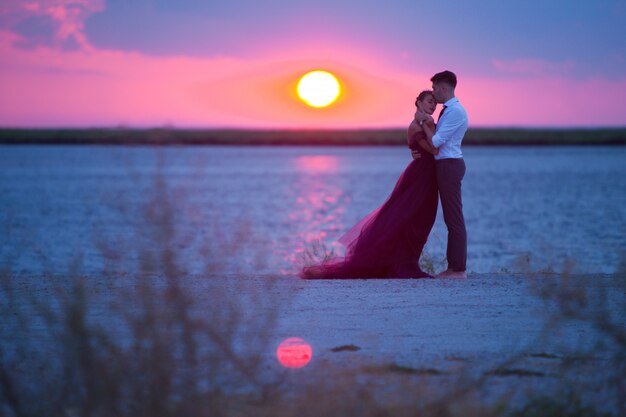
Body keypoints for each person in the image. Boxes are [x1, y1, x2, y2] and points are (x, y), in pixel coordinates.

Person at [301, 91, 439, 279]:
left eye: (435, 103)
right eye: (430, 102)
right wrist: (429, 124)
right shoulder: (416, 126)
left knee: (422, 219)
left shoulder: (423, 124)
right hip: (420, 177)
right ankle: (404, 263)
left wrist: (429, 124)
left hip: (427, 176)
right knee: (411, 218)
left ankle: (406, 260)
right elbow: (434, 149)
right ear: (419, 103)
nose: (433, 106)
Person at [415, 70, 468, 278]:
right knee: (451, 218)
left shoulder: (455, 111)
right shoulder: (448, 110)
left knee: (454, 219)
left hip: (449, 165)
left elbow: (436, 142)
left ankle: (458, 269)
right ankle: (454, 268)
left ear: (444, 88)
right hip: (445, 164)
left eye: (436, 88)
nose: (434, 92)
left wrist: (425, 121)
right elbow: (436, 137)